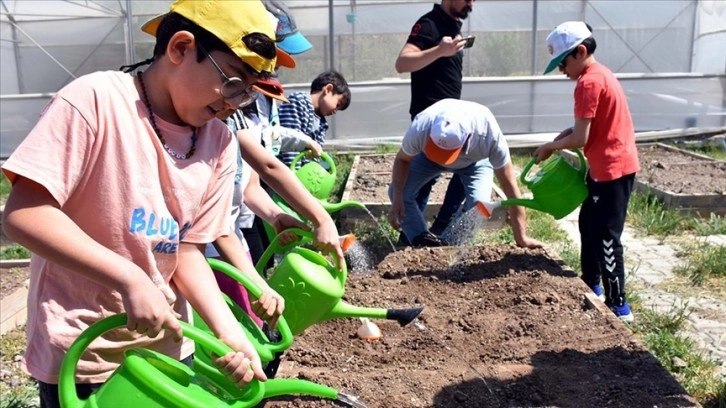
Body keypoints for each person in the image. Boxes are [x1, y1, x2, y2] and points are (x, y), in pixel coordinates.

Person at [0, 1, 301, 405]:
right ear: (179, 48)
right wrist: (129, 277)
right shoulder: (97, 101)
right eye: (233, 81)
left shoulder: (219, 142)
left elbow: (188, 250)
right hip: (85, 351)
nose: (236, 101)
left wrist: (228, 331)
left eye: (249, 92)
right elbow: (25, 215)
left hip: (169, 349)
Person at [534, 21, 639, 322]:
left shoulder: (588, 83)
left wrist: (550, 147)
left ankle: (619, 306)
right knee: (588, 224)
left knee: (606, 235)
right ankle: (590, 283)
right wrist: (565, 134)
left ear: (580, 52)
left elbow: (580, 139)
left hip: (612, 169)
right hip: (607, 166)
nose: (560, 70)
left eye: (562, 62)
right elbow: (589, 127)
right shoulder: (601, 74)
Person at [388, 98, 543, 250]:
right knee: (397, 191)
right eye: (438, 151)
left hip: (475, 163)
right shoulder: (421, 126)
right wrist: (397, 201)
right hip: (427, 159)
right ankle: (422, 242)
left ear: (468, 137)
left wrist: (521, 237)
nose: (445, 161)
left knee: (480, 204)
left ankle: (450, 246)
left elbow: (511, 190)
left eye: (447, 154)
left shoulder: (489, 136)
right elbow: (402, 160)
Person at [394, 0, 476, 242]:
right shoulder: (429, 24)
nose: (471, 4)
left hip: (451, 121)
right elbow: (402, 62)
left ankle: (439, 227)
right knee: (422, 182)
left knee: (466, 167)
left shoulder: (451, 25)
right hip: (429, 122)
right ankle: (412, 237)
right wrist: (440, 51)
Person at [277, 70, 351, 168]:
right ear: (328, 89)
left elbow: (314, 156)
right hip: (282, 171)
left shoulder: (322, 124)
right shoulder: (298, 102)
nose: (335, 111)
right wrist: (294, 176)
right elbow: (290, 145)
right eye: (337, 105)